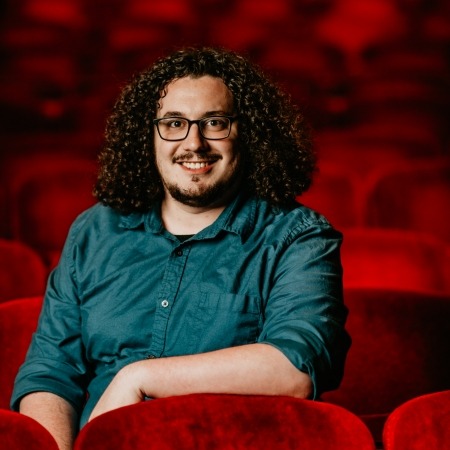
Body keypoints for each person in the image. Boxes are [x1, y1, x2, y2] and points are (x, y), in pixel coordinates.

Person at [11, 47, 351, 450]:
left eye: (215, 123)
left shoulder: (298, 236)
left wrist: (139, 377)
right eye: (174, 123)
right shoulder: (94, 231)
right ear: (149, 135)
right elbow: (50, 373)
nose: (194, 143)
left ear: (249, 132)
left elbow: (295, 366)